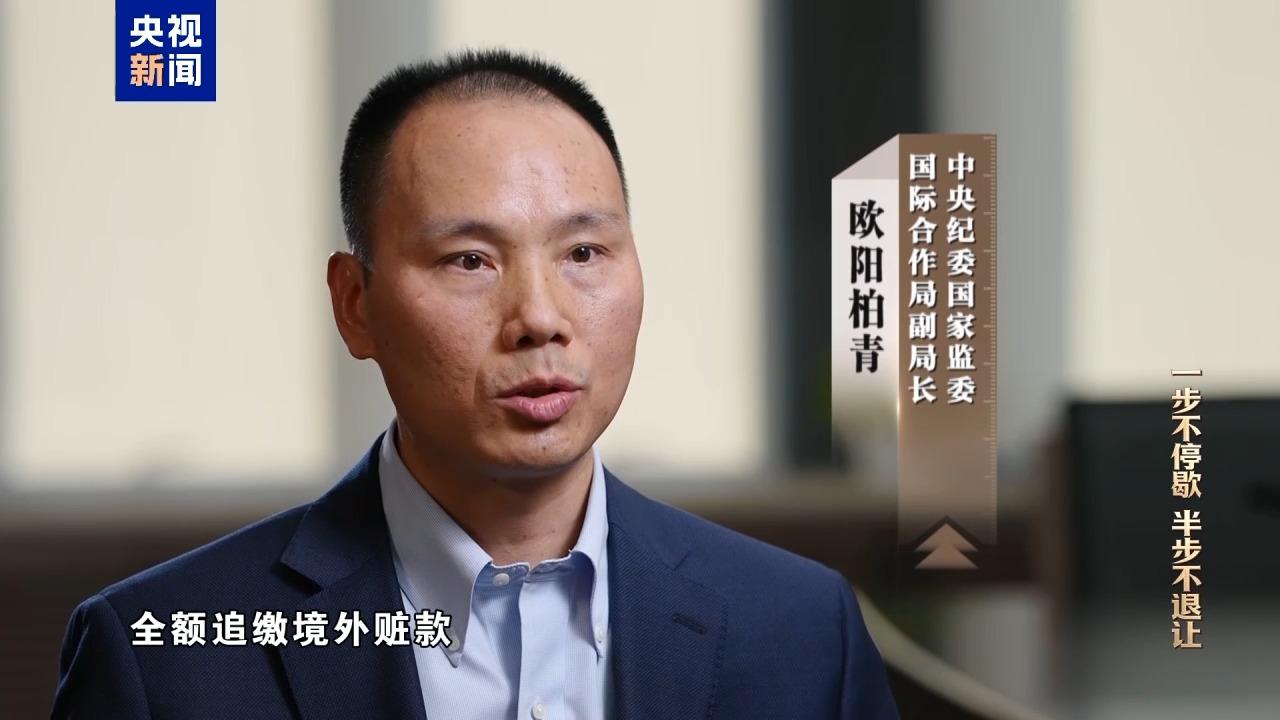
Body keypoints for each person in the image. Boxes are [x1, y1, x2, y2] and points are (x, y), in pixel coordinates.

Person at [51, 49, 898, 719]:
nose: (540, 317)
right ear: (356, 305)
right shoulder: (162, 660)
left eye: (584, 252)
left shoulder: (800, 630)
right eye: (470, 261)